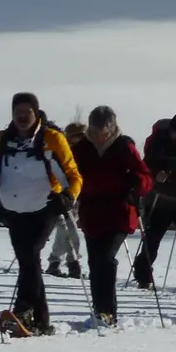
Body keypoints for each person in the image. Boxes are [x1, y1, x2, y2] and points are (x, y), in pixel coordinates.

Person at [0, 92, 81, 337]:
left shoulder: (52, 138)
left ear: (36, 113)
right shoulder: (3, 139)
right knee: (30, 262)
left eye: (27, 112)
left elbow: (72, 174)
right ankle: (41, 320)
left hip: (45, 206)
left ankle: (23, 308)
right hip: (13, 210)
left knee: (30, 254)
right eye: (18, 113)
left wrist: (68, 197)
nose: (22, 117)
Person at [70, 106, 151, 327]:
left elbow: (145, 176)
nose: (98, 137)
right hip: (91, 212)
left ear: (112, 129)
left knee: (105, 258)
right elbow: (71, 173)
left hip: (119, 212)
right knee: (95, 262)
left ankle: (107, 310)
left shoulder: (124, 146)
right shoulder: (83, 148)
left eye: (103, 133)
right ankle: (100, 309)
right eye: (94, 132)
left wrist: (137, 183)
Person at [133, 113, 176, 293]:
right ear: (171, 131)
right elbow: (146, 167)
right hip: (160, 200)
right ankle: (142, 276)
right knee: (153, 239)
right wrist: (156, 175)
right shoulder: (158, 144)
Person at [48, 121, 87, 279]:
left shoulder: (85, 152)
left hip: (75, 196)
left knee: (64, 231)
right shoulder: (62, 150)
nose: (80, 140)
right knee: (69, 228)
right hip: (60, 196)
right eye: (77, 137)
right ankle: (73, 264)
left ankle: (55, 263)